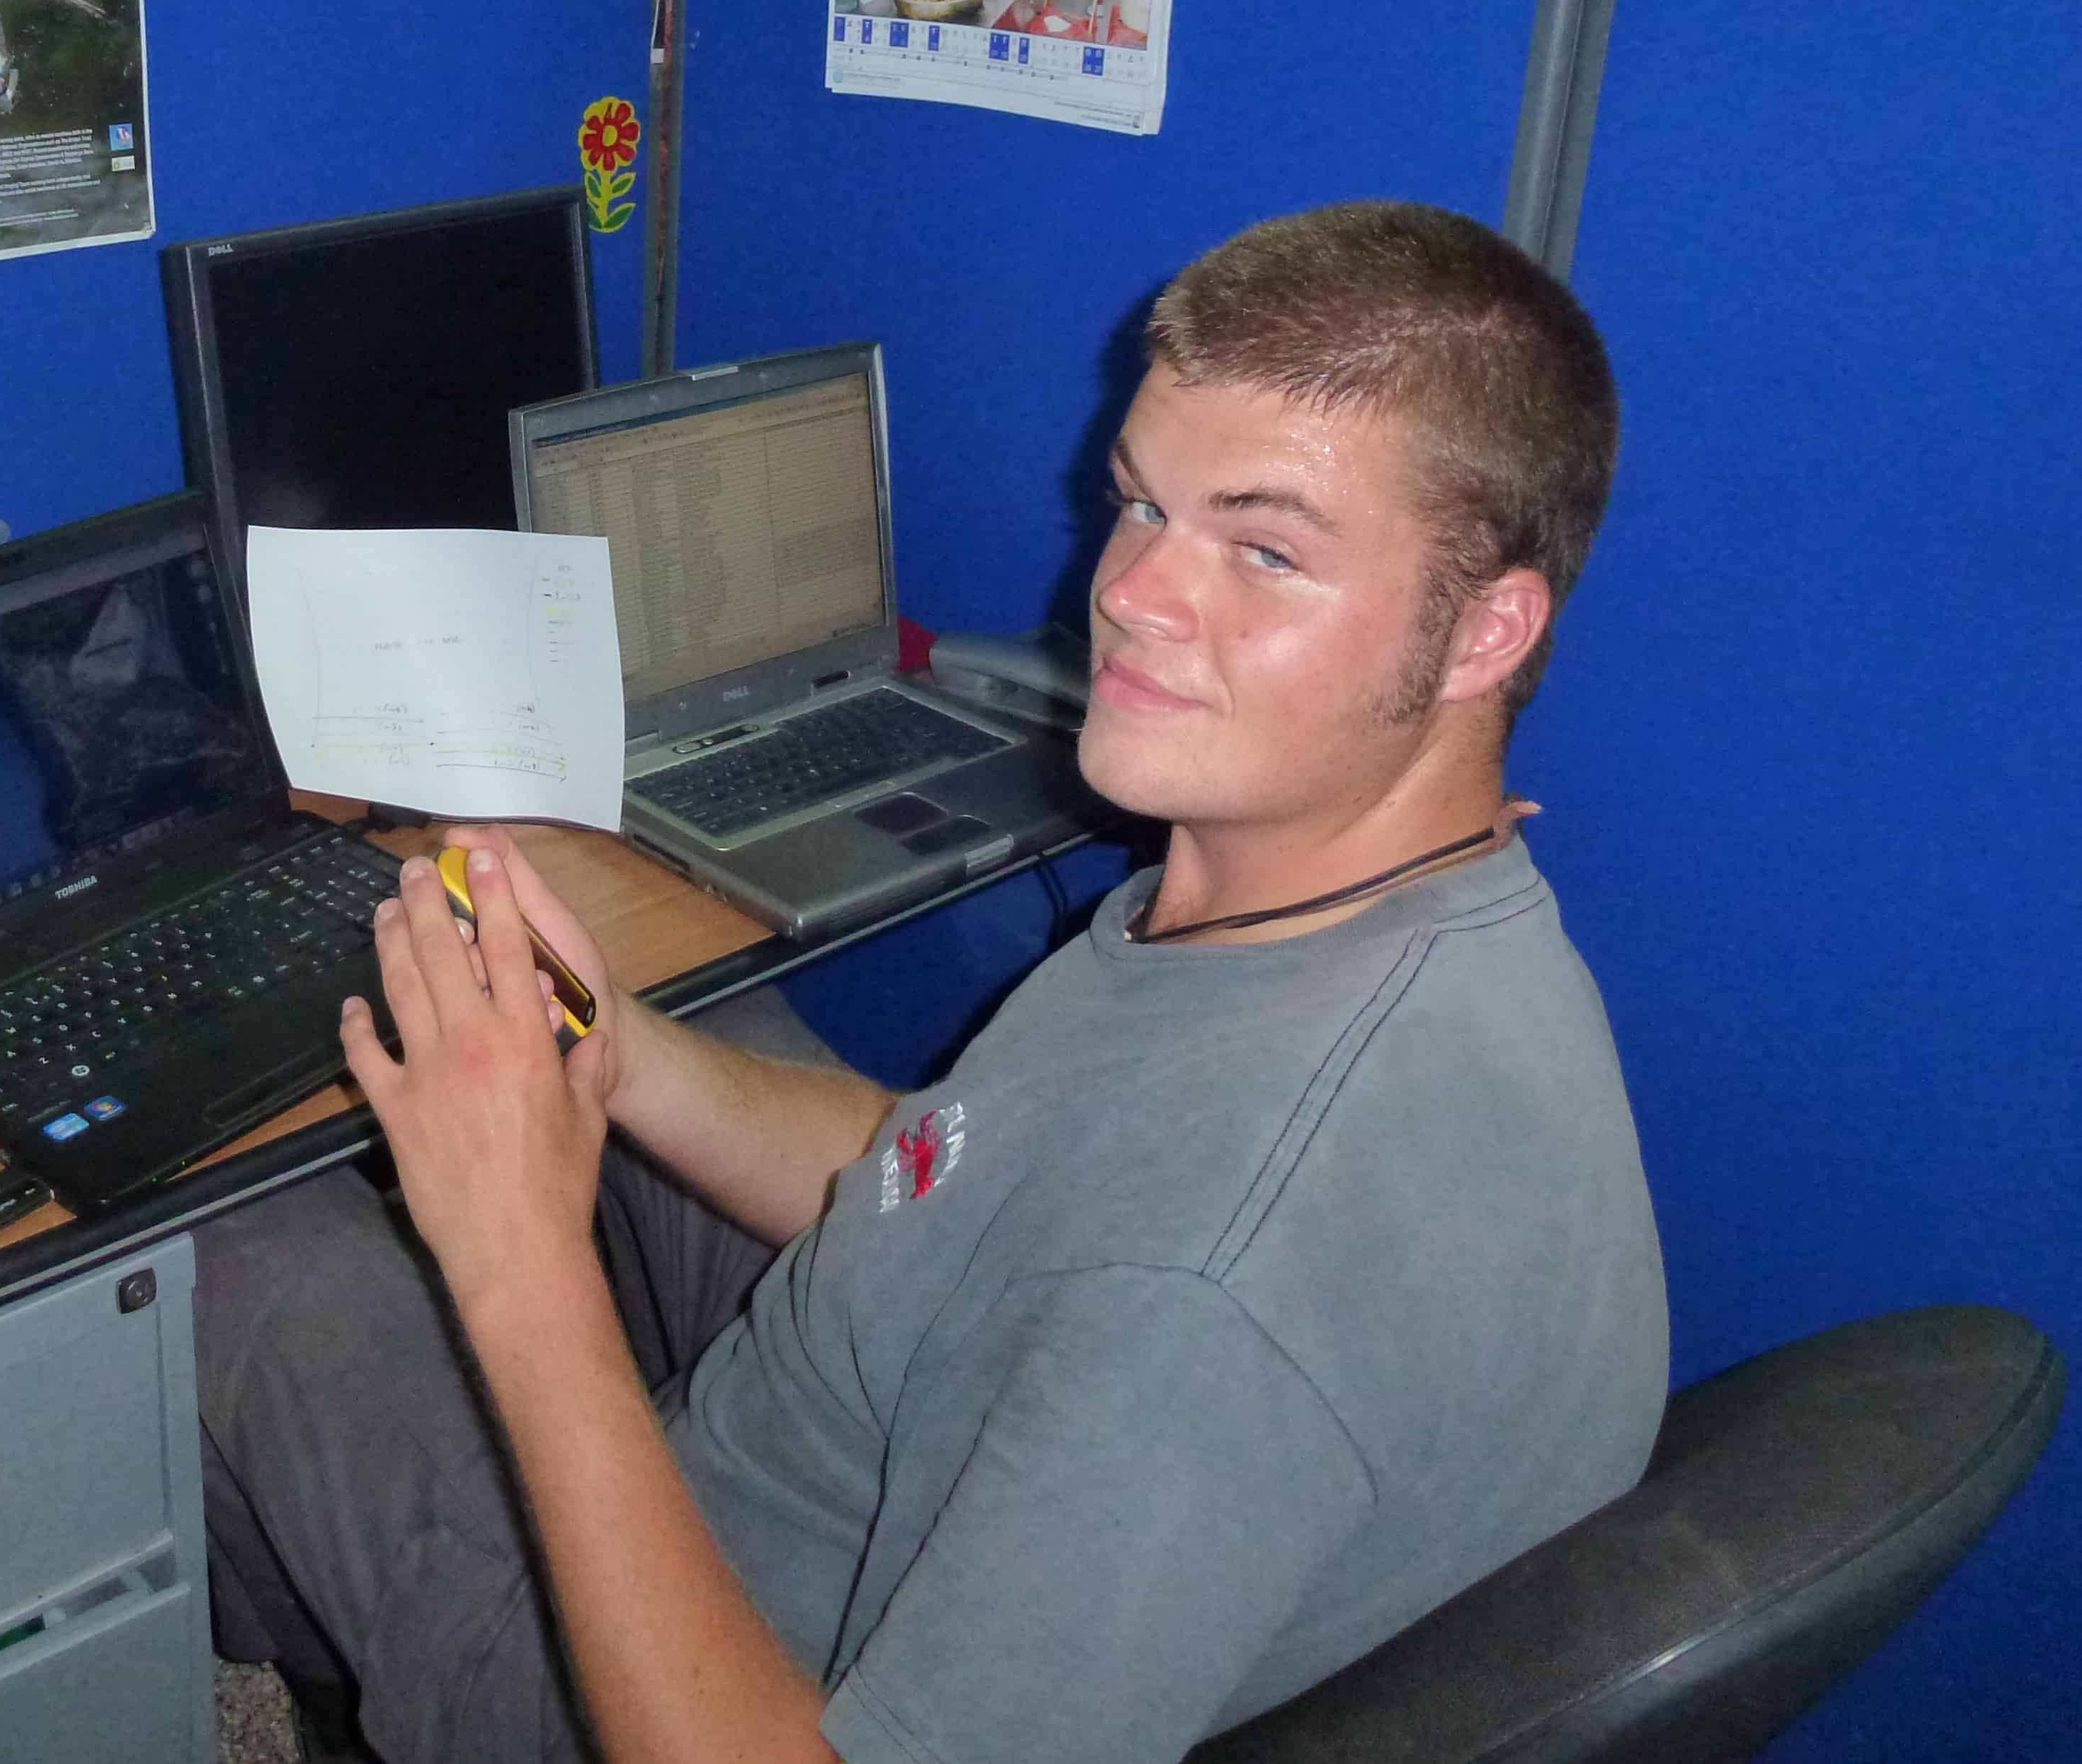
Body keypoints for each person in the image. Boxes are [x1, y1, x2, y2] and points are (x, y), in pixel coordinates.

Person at [198, 202, 1666, 1764]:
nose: (1135, 597)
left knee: (256, 1249)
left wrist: (518, 1266)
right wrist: (616, 1055)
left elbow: (1138, 1279)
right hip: (869, 1437)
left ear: (1485, 632)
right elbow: (977, 1182)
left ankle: (382, 1682)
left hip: (693, 1699)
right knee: (704, 1024)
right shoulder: (1332, 915)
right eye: (1142, 508)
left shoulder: (1212, 1304)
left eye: (1265, 549)